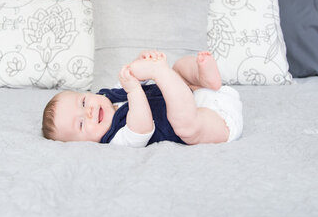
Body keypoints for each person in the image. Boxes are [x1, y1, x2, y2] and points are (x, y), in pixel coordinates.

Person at [42, 50, 243, 147]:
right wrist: (134, 89)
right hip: (215, 120)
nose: (88, 111)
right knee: (187, 128)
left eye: (83, 102)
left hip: (195, 92)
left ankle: (204, 78)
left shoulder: (109, 93)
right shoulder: (116, 140)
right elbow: (143, 126)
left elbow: (135, 77)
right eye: (80, 123)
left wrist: (140, 62)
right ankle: (163, 72)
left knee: (178, 70)